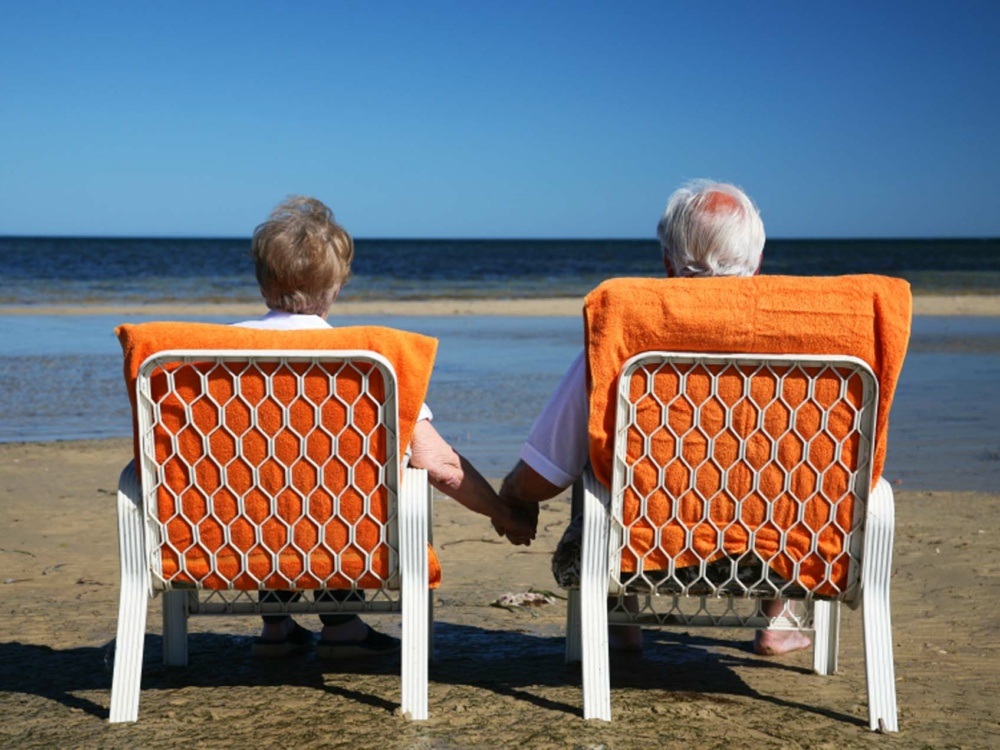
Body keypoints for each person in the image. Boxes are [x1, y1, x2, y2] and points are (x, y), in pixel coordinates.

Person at [493, 180, 810, 657]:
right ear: (758, 262)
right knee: (779, 460)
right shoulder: (806, 345)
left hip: (649, 556)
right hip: (778, 558)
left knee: (604, 459)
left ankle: (621, 619)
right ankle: (778, 618)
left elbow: (547, 471)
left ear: (667, 262)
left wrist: (512, 497)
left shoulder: (626, 341)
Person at [236, 195, 532, 659]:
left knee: (270, 479)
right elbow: (440, 467)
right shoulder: (367, 364)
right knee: (330, 491)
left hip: (232, 535)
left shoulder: (200, 357)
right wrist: (502, 512)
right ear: (335, 288)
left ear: (261, 285)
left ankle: (276, 625)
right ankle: (341, 627)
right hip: (341, 538)